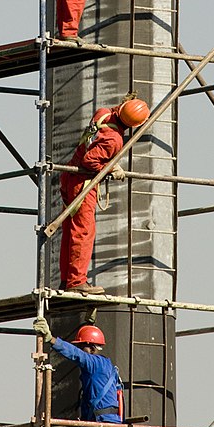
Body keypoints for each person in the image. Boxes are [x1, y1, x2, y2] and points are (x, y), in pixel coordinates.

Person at [59, 98, 150, 295]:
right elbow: (89, 160)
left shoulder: (103, 114)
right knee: (83, 232)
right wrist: (110, 168)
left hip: (69, 176)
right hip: (82, 183)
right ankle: (76, 282)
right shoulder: (114, 140)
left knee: (70, 231)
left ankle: (66, 279)